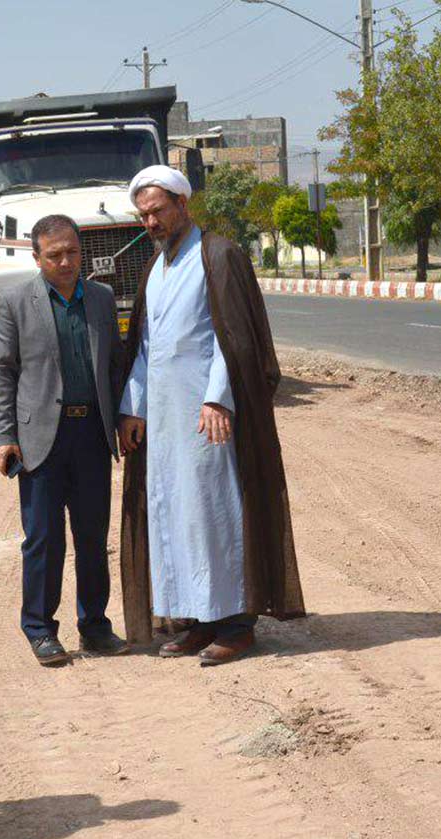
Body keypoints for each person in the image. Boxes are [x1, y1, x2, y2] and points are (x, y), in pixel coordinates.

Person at [118, 166, 306, 666]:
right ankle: (197, 620)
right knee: (175, 514)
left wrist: (218, 398)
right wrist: (131, 410)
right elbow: (144, 347)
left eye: (158, 211)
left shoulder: (217, 255)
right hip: (162, 419)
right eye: (144, 215)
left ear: (183, 204)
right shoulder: (156, 267)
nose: (151, 222)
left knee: (214, 513)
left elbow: (234, 337)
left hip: (206, 416)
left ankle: (236, 623)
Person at [0, 214, 130, 666]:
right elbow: (2, 372)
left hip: (92, 434)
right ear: (37, 257)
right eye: (55, 255)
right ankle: (40, 629)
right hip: (40, 440)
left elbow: (114, 365)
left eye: (72, 251)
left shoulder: (103, 299)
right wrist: (3, 435)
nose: (66, 261)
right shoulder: (14, 302)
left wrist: (125, 416)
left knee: (92, 537)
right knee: (44, 538)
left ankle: (95, 626)